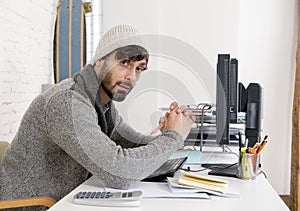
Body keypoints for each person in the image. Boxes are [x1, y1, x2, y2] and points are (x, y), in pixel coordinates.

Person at [0, 24, 195, 210]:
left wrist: (172, 129)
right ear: (99, 61)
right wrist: (172, 138)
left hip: (65, 201)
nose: (132, 76)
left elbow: (134, 143)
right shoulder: (67, 101)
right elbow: (119, 172)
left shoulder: (103, 104)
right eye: (124, 62)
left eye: (139, 68)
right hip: (33, 206)